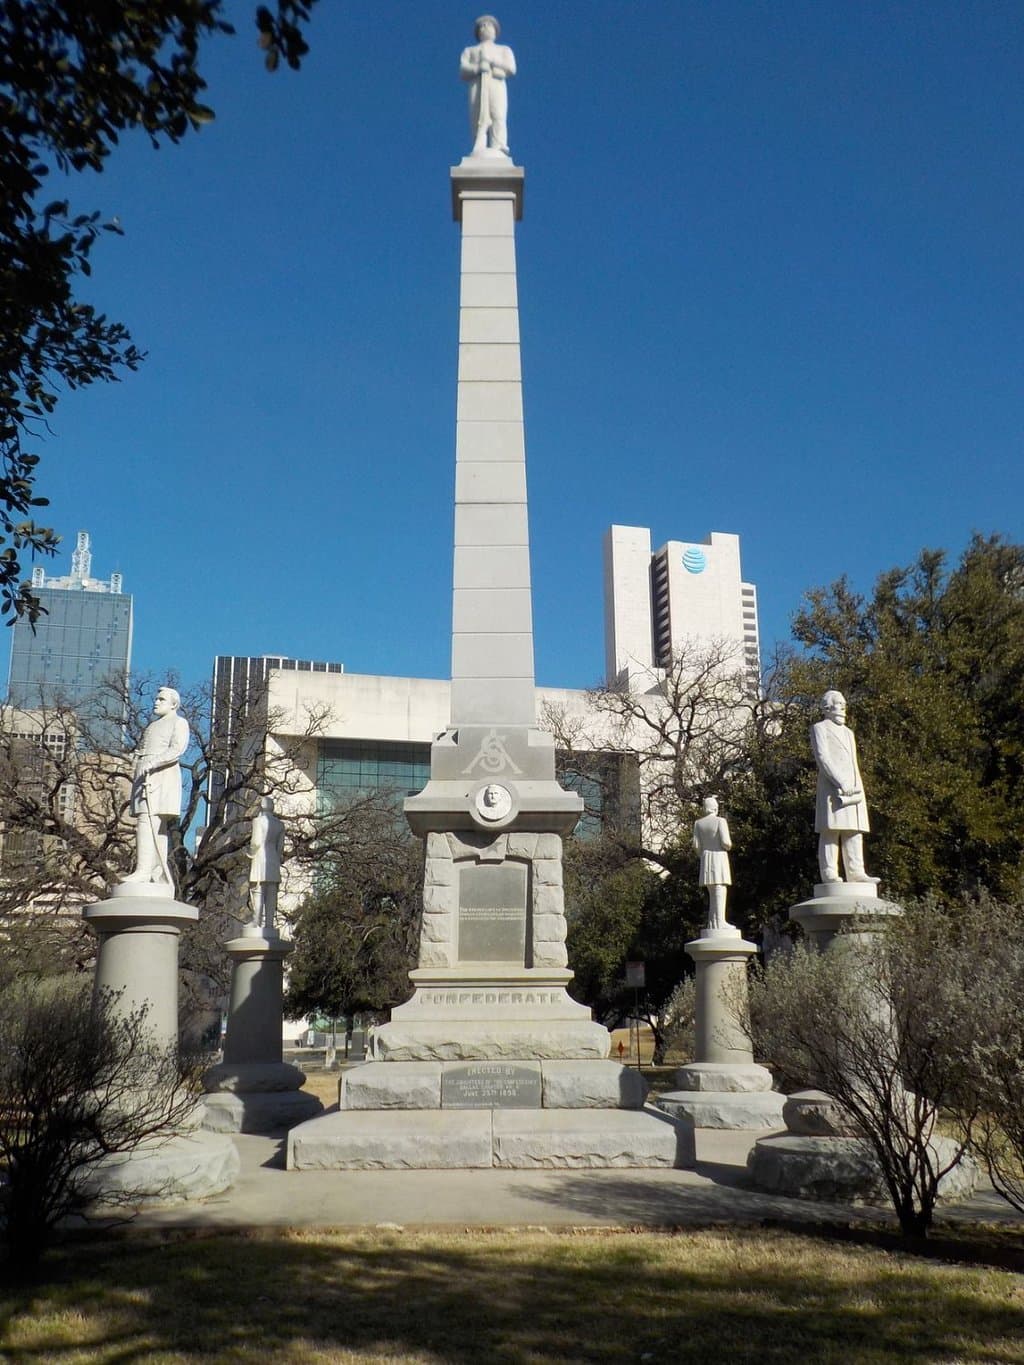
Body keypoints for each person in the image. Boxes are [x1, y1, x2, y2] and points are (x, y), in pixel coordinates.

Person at [124, 686, 190, 885]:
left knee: (149, 820)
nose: (156, 702)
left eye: (161, 699)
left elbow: (177, 749)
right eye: (156, 698)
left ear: (173, 704)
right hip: (144, 774)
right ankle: (155, 870)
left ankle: (144, 870)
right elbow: (143, 749)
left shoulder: (179, 722)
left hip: (161, 776)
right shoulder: (152, 726)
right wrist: (135, 758)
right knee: (151, 824)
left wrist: (153, 762)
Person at [809, 690, 876, 884]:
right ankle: (829, 871)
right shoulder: (819, 728)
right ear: (827, 707)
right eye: (839, 703)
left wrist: (855, 785)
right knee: (831, 830)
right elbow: (823, 758)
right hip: (833, 788)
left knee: (854, 830)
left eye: (844, 703)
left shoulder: (849, 732)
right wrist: (841, 781)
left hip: (854, 788)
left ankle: (856, 872)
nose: (843, 707)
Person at [460, 15, 516, 155]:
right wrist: (477, 68)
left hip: (496, 83)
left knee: (498, 114)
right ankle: (478, 145)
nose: (485, 28)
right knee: (477, 116)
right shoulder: (470, 50)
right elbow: (463, 70)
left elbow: (511, 68)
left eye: (489, 25)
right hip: (477, 85)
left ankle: (499, 144)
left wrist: (493, 62)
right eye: (482, 26)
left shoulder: (504, 49)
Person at [692, 795, 733, 931]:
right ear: (715, 808)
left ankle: (713, 922)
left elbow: (696, 846)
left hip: (706, 858)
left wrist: (704, 854)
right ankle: (720, 922)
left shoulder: (698, 823)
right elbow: (726, 843)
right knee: (720, 890)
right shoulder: (721, 821)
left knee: (712, 892)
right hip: (719, 857)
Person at [249, 795, 285, 934]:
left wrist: (250, 853)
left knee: (258, 891)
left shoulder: (258, 821)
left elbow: (256, 842)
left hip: (260, 858)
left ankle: (256, 921)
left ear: (262, 806)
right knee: (271, 894)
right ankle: (269, 924)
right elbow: (280, 847)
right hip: (273, 860)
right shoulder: (280, 824)